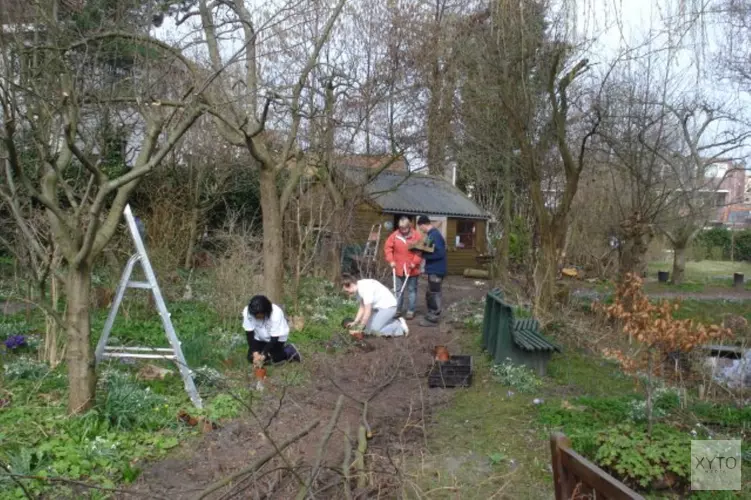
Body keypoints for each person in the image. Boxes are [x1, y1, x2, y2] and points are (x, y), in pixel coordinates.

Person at [340, 274, 409, 337]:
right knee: (367, 329)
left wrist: (359, 329)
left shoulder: (365, 288)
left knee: (374, 331)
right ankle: (389, 321)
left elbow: (367, 312)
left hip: (389, 307)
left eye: (347, 291)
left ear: (350, 285)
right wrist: (355, 321)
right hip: (378, 309)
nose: (348, 294)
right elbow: (362, 307)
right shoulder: (358, 289)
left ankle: (399, 326)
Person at [243, 295, 301, 366]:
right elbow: (249, 334)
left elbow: (274, 338)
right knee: (251, 358)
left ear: (266, 311)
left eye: (259, 315)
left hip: (277, 338)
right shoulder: (247, 312)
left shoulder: (276, 313)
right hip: (259, 337)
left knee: (271, 358)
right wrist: (255, 353)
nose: (256, 317)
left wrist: (264, 354)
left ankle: (289, 350)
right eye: (255, 315)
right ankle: (267, 353)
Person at [384, 216, 423, 319]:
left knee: (411, 290)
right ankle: (397, 310)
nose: (403, 231)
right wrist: (391, 260)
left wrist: (415, 262)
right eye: (401, 228)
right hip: (398, 268)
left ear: (409, 226)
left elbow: (419, 251)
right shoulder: (395, 235)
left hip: (412, 269)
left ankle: (411, 310)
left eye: (405, 228)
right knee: (398, 290)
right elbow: (388, 248)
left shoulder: (416, 236)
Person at [416, 215, 447, 327]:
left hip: (437, 269)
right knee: (430, 293)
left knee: (434, 293)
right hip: (433, 269)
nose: (421, 230)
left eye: (420, 228)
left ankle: (433, 318)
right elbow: (430, 250)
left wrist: (423, 255)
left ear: (423, 225)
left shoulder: (435, 235)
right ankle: (430, 314)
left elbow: (440, 253)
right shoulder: (431, 235)